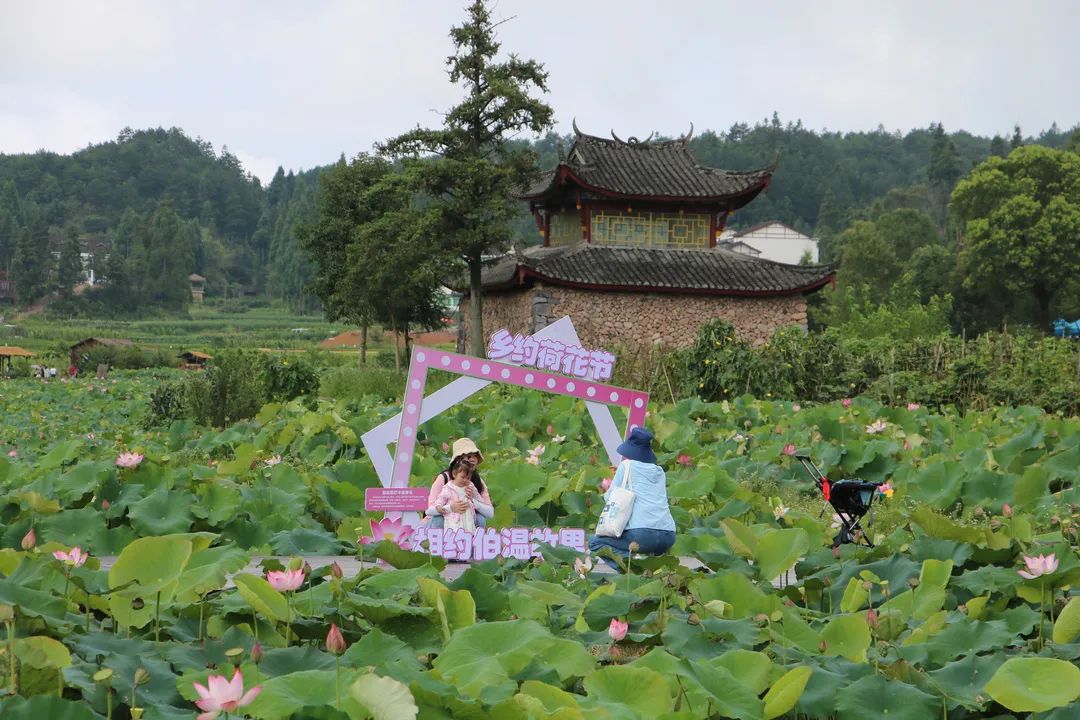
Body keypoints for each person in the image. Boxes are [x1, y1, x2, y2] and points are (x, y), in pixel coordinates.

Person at [589, 427, 676, 569]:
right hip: (668, 535)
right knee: (649, 556)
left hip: (642, 535)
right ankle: (646, 568)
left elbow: (610, 497)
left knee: (595, 542)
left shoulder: (626, 465)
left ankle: (635, 569)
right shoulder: (660, 471)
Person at [426, 438, 493, 528]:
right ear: (458, 460)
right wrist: (451, 508)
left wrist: (474, 501)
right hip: (444, 521)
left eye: (475, 456)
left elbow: (490, 512)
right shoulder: (444, 479)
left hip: (467, 520)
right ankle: (441, 541)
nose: (473, 459)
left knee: (480, 519)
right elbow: (430, 510)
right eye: (469, 456)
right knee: (438, 520)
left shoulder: (477, 482)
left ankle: (471, 541)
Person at [433, 457, 482, 534]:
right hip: (453, 518)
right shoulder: (448, 487)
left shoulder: (470, 486)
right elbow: (440, 499)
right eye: (462, 477)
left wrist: (473, 495)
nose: (465, 480)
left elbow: (479, 499)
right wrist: (439, 507)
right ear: (454, 474)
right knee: (454, 535)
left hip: (468, 516)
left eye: (468, 478)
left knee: (469, 534)